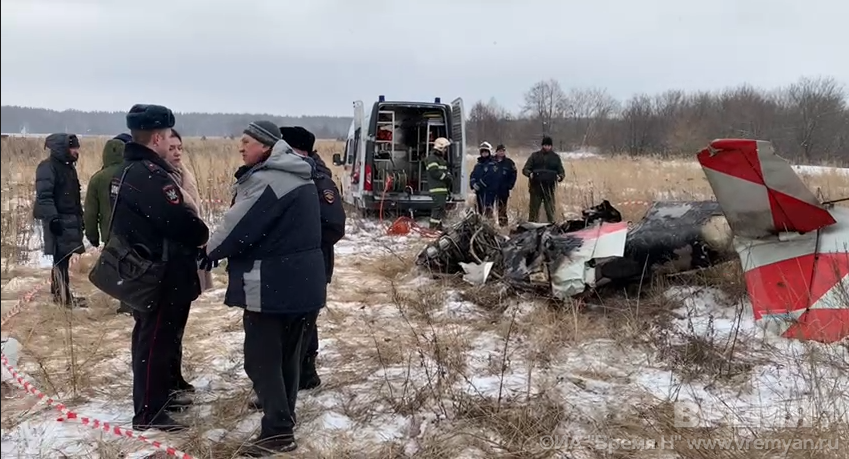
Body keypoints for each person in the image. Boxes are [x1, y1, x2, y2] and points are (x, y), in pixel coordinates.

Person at [205, 121, 326, 455]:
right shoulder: (298, 173)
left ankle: (277, 433)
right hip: (303, 283)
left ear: (266, 146)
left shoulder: (269, 179)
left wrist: (208, 253)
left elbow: (237, 227)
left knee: (260, 359)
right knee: (287, 357)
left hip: (273, 285)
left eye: (246, 142)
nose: (241, 148)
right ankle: (283, 422)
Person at [110, 104, 209, 432]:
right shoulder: (150, 177)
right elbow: (182, 223)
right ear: (156, 137)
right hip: (161, 274)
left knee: (153, 337)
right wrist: (201, 231)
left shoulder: (129, 170)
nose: (170, 142)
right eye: (168, 136)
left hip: (149, 271)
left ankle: (159, 396)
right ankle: (149, 411)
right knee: (155, 340)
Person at [278, 126, 346, 392]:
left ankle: (300, 375)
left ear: (299, 151)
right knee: (298, 321)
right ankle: (302, 373)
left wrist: (300, 244)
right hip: (297, 265)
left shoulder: (318, 180)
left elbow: (333, 226)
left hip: (312, 264)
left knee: (303, 323)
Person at [162, 128, 212, 397]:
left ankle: (175, 375)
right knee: (166, 327)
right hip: (171, 261)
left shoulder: (184, 174)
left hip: (187, 258)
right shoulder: (161, 179)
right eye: (171, 148)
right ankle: (166, 381)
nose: (177, 153)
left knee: (179, 323)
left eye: (179, 147)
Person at [33, 133, 87, 308]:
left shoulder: (68, 167)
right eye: (73, 147)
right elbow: (44, 197)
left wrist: (80, 217)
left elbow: (73, 196)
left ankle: (62, 295)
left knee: (64, 256)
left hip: (70, 219)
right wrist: (53, 219)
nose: (76, 151)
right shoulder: (47, 167)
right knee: (60, 258)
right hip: (58, 219)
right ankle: (62, 297)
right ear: (62, 148)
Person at [83, 135, 132, 314]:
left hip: (110, 232)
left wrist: (92, 236)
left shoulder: (98, 179)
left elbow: (90, 212)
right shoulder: (132, 172)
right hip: (135, 230)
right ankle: (136, 302)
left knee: (118, 267)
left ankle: (126, 304)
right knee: (135, 265)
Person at [522, 136, 564, 223]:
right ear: (542, 145)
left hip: (549, 189)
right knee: (533, 212)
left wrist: (560, 177)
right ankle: (532, 229)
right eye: (545, 145)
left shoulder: (555, 157)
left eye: (549, 145)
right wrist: (530, 174)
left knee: (550, 211)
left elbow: (561, 171)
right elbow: (525, 169)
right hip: (535, 188)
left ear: (551, 146)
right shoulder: (535, 156)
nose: (547, 147)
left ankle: (552, 228)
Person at [425, 137, 453, 230]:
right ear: (440, 148)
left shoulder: (440, 159)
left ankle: (438, 227)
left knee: (441, 208)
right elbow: (434, 172)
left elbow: (444, 170)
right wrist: (446, 177)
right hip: (437, 188)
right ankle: (433, 228)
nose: (446, 150)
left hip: (442, 188)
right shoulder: (432, 158)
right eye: (445, 148)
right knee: (438, 207)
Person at [469, 141, 500, 218]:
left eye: (486, 152)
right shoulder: (478, 165)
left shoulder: (493, 164)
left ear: (489, 152)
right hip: (479, 191)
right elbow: (473, 175)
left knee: (488, 208)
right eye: (483, 152)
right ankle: (481, 223)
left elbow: (490, 177)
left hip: (489, 191)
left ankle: (489, 225)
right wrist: (473, 183)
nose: (484, 153)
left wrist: (480, 184)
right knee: (480, 209)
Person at [493, 144, 517, 227]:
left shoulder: (509, 163)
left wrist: (510, 185)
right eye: (500, 151)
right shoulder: (491, 161)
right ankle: (490, 225)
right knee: (489, 208)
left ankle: (503, 226)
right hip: (492, 190)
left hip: (503, 190)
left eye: (503, 151)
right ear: (496, 152)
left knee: (502, 209)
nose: (501, 153)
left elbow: (513, 174)